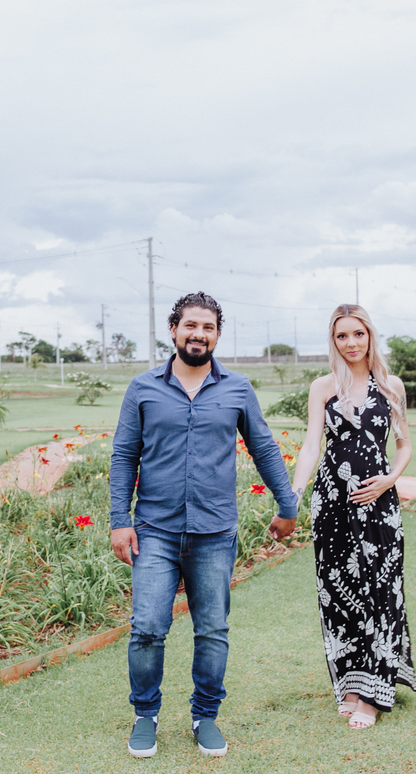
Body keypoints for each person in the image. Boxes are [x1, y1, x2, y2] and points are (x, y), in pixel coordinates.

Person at [109, 291, 298, 758]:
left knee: (212, 629)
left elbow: (264, 448)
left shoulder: (237, 388)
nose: (199, 334)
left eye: (208, 327)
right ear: (174, 330)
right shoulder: (143, 388)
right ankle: (145, 715)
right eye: (191, 325)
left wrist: (287, 505)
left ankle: (205, 716)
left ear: (217, 334)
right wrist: (119, 520)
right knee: (147, 627)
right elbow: (125, 455)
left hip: (214, 533)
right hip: (154, 530)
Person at [289, 303, 416, 730]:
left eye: (358, 334)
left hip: (378, 503)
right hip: (332, 502)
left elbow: (403, 445)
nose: (351, 343)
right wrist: (294, 494)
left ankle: (374, 694)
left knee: (381, 590)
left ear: (370, 336)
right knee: (338, 592)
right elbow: (312, 445)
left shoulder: (391, 385)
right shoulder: (323, 387)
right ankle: (351, 683)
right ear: (333, 340)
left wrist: (389, 479)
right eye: (342, 335)